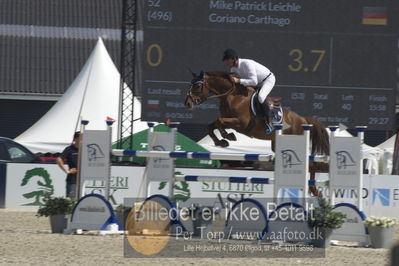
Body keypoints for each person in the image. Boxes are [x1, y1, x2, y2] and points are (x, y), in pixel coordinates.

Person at [222, 48, 281, 133]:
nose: (225, 62)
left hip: (267, 80)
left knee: (260, 97)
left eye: (227, 60)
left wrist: (238, 80)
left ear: (233, 59)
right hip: (256, 83)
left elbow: (254, 81)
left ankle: (269, 122)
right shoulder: (233, 69)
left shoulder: (246, 64)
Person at [56, 131, 80, 198]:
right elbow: (59, 159)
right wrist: (67, 171)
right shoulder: (69, 149)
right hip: (72, 180)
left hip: (83, 180)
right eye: (79, 138)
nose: (81, 139)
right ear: (75, 139)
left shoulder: (85, 149)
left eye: (82, 138)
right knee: (71, 201)